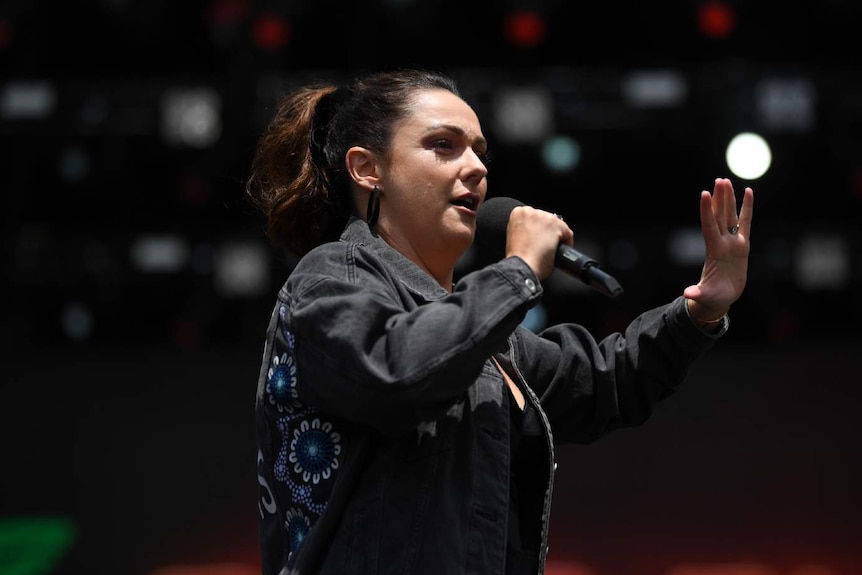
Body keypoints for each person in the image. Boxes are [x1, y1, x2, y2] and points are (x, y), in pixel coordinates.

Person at [245, 68, 754, 575]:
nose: (476, 168)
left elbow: (604, 382)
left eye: (479, 151)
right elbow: (394, 372)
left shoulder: (490, 341)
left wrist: (700, 310)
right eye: (443, 145)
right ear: (367, 169)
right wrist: (520, 271)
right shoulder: (331, 275)